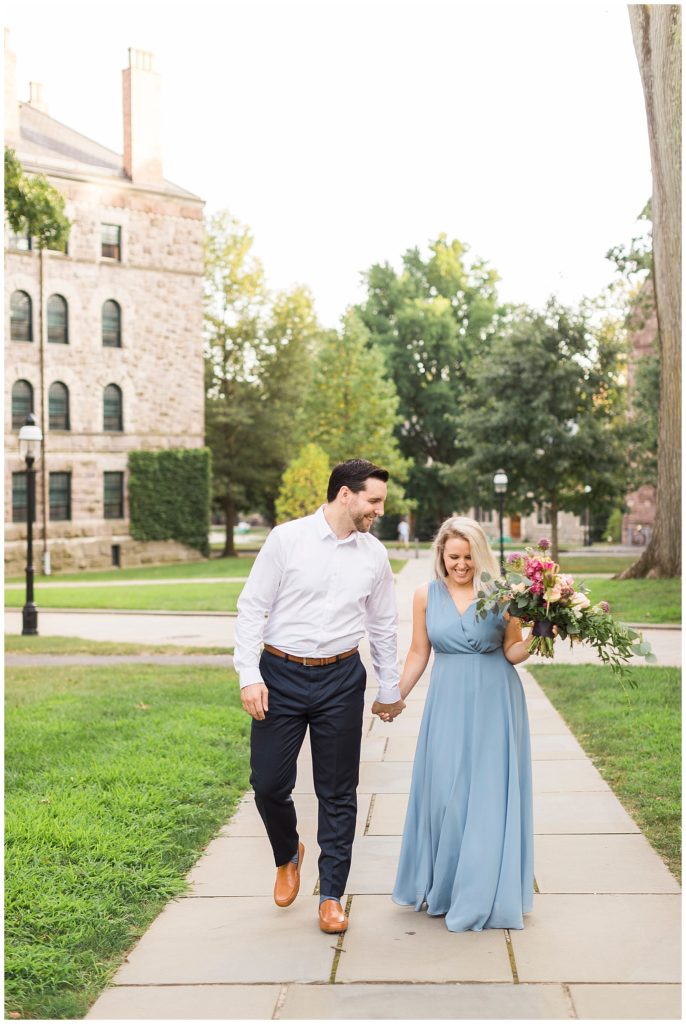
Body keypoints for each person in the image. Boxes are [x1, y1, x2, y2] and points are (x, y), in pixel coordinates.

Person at [234, 459, 406, 936]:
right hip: (279, 675)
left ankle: (331, 895)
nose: (379, 511)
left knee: (337, 792)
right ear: (345, 495)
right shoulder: (286, 540)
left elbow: (382, 625)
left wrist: (388, 687)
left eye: (381, 503)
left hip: (341, 679)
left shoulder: (374, 554)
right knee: (268, 783)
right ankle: (288, 853)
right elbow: (252, 608)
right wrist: (249, 675)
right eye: (374, 501)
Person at [392, 516, 535, 931]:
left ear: (480, 555)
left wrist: (544, 633)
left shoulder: (502, 596)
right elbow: (419, 652)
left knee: (487, 795)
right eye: (454, 556)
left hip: (495, 701)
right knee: (444, 795)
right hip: (447, 702)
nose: (461, 564)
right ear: (441, 554)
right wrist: (395, 695)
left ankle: (484, 891)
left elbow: (512, 651)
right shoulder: (424, 595)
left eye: (469, 557)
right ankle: (446, 888)